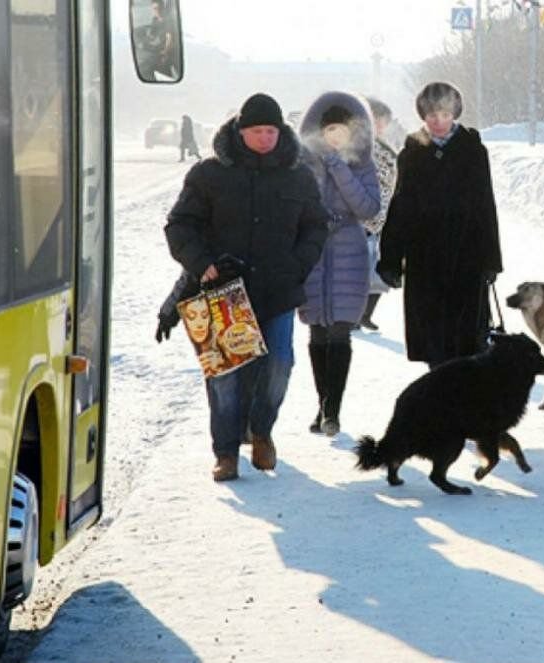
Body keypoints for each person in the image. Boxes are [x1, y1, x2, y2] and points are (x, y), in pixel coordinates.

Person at [165, 92, 328, 481]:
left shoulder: (298, 174)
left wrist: (298, 265)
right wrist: (201, 264)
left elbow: (316, 227)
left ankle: (262, 431)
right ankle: (225, 453)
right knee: (224, 374)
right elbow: (179, 225)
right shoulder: (210, 174)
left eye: (271, 130)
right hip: (223, 289)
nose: (265, 138)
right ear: (241, 131)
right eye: (257, 131)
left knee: (279, 365)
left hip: (278, 288)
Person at [378, 82, 502, 369]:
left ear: (454, 113)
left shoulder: (472, 149)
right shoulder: (412, 151)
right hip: (425, 258)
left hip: (466, 255)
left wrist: (491, 259)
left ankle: (462, 404)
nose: (438, 122)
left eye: (444, 115)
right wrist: (391, 259)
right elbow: (400, 207)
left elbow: (486, 206)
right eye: (432, 116)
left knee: (465, 339)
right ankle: (439, 396)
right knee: (432, 338)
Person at [296, 91, 380, 436]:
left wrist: (338, 165)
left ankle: (334, 411)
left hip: (349, 251)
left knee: (341, 330)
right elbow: (300, 205)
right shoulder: (303, 165)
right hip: (313, 252)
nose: (334, 137)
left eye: (341, 131)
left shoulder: (362, 165)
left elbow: (367, 207)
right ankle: (321, 404)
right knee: (317, 331)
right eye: (329, 130)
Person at [358, 97, 398, 331]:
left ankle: (365, 314)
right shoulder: (354, 148)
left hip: (382, 218)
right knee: (358, 272)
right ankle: (354, 315)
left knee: (377, 274)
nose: (379, 124)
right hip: (358, 219)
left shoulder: (385, 147)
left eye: (382, 120)